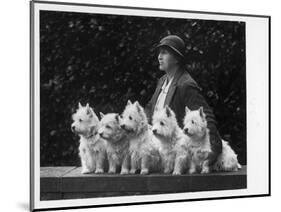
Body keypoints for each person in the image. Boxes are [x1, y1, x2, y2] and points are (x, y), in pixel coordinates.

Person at [145, 35, 222, 165]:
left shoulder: (185, 84)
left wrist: (213, 151)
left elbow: (205, 116)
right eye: (159, 52)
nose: (159, 56)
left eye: (164, 52)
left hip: (177, 154)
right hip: (158, 145)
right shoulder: (162, 81)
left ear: (176, 58)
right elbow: (150, 107)